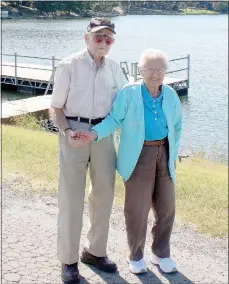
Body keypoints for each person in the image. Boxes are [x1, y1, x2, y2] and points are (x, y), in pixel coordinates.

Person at [77, 49, 182, 275]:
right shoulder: (130, 93)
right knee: (137, 210)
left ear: (165, 71)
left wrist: (173, 155)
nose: (155, 74)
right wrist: (93, 134)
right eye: (150, 69)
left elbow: (177, 126)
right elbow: (114, 119)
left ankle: (161, 253)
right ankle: (135, 255)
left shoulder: (171, 95)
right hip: (138, 155)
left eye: (160, 69)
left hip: (164, 151)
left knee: (167, 208)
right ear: (141, 70)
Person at [51, 17, 127, 283]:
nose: (103, 42)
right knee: (71, 197)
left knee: (104, 194)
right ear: (86, 38)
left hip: (103, 134)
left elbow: (123, 106)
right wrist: (67, 132)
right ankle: (69, 260)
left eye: (108, 38)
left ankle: (94, 252)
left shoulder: (116, 68)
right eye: (98, 37)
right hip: (73, 132)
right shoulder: (69, 65)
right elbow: (56, 107)